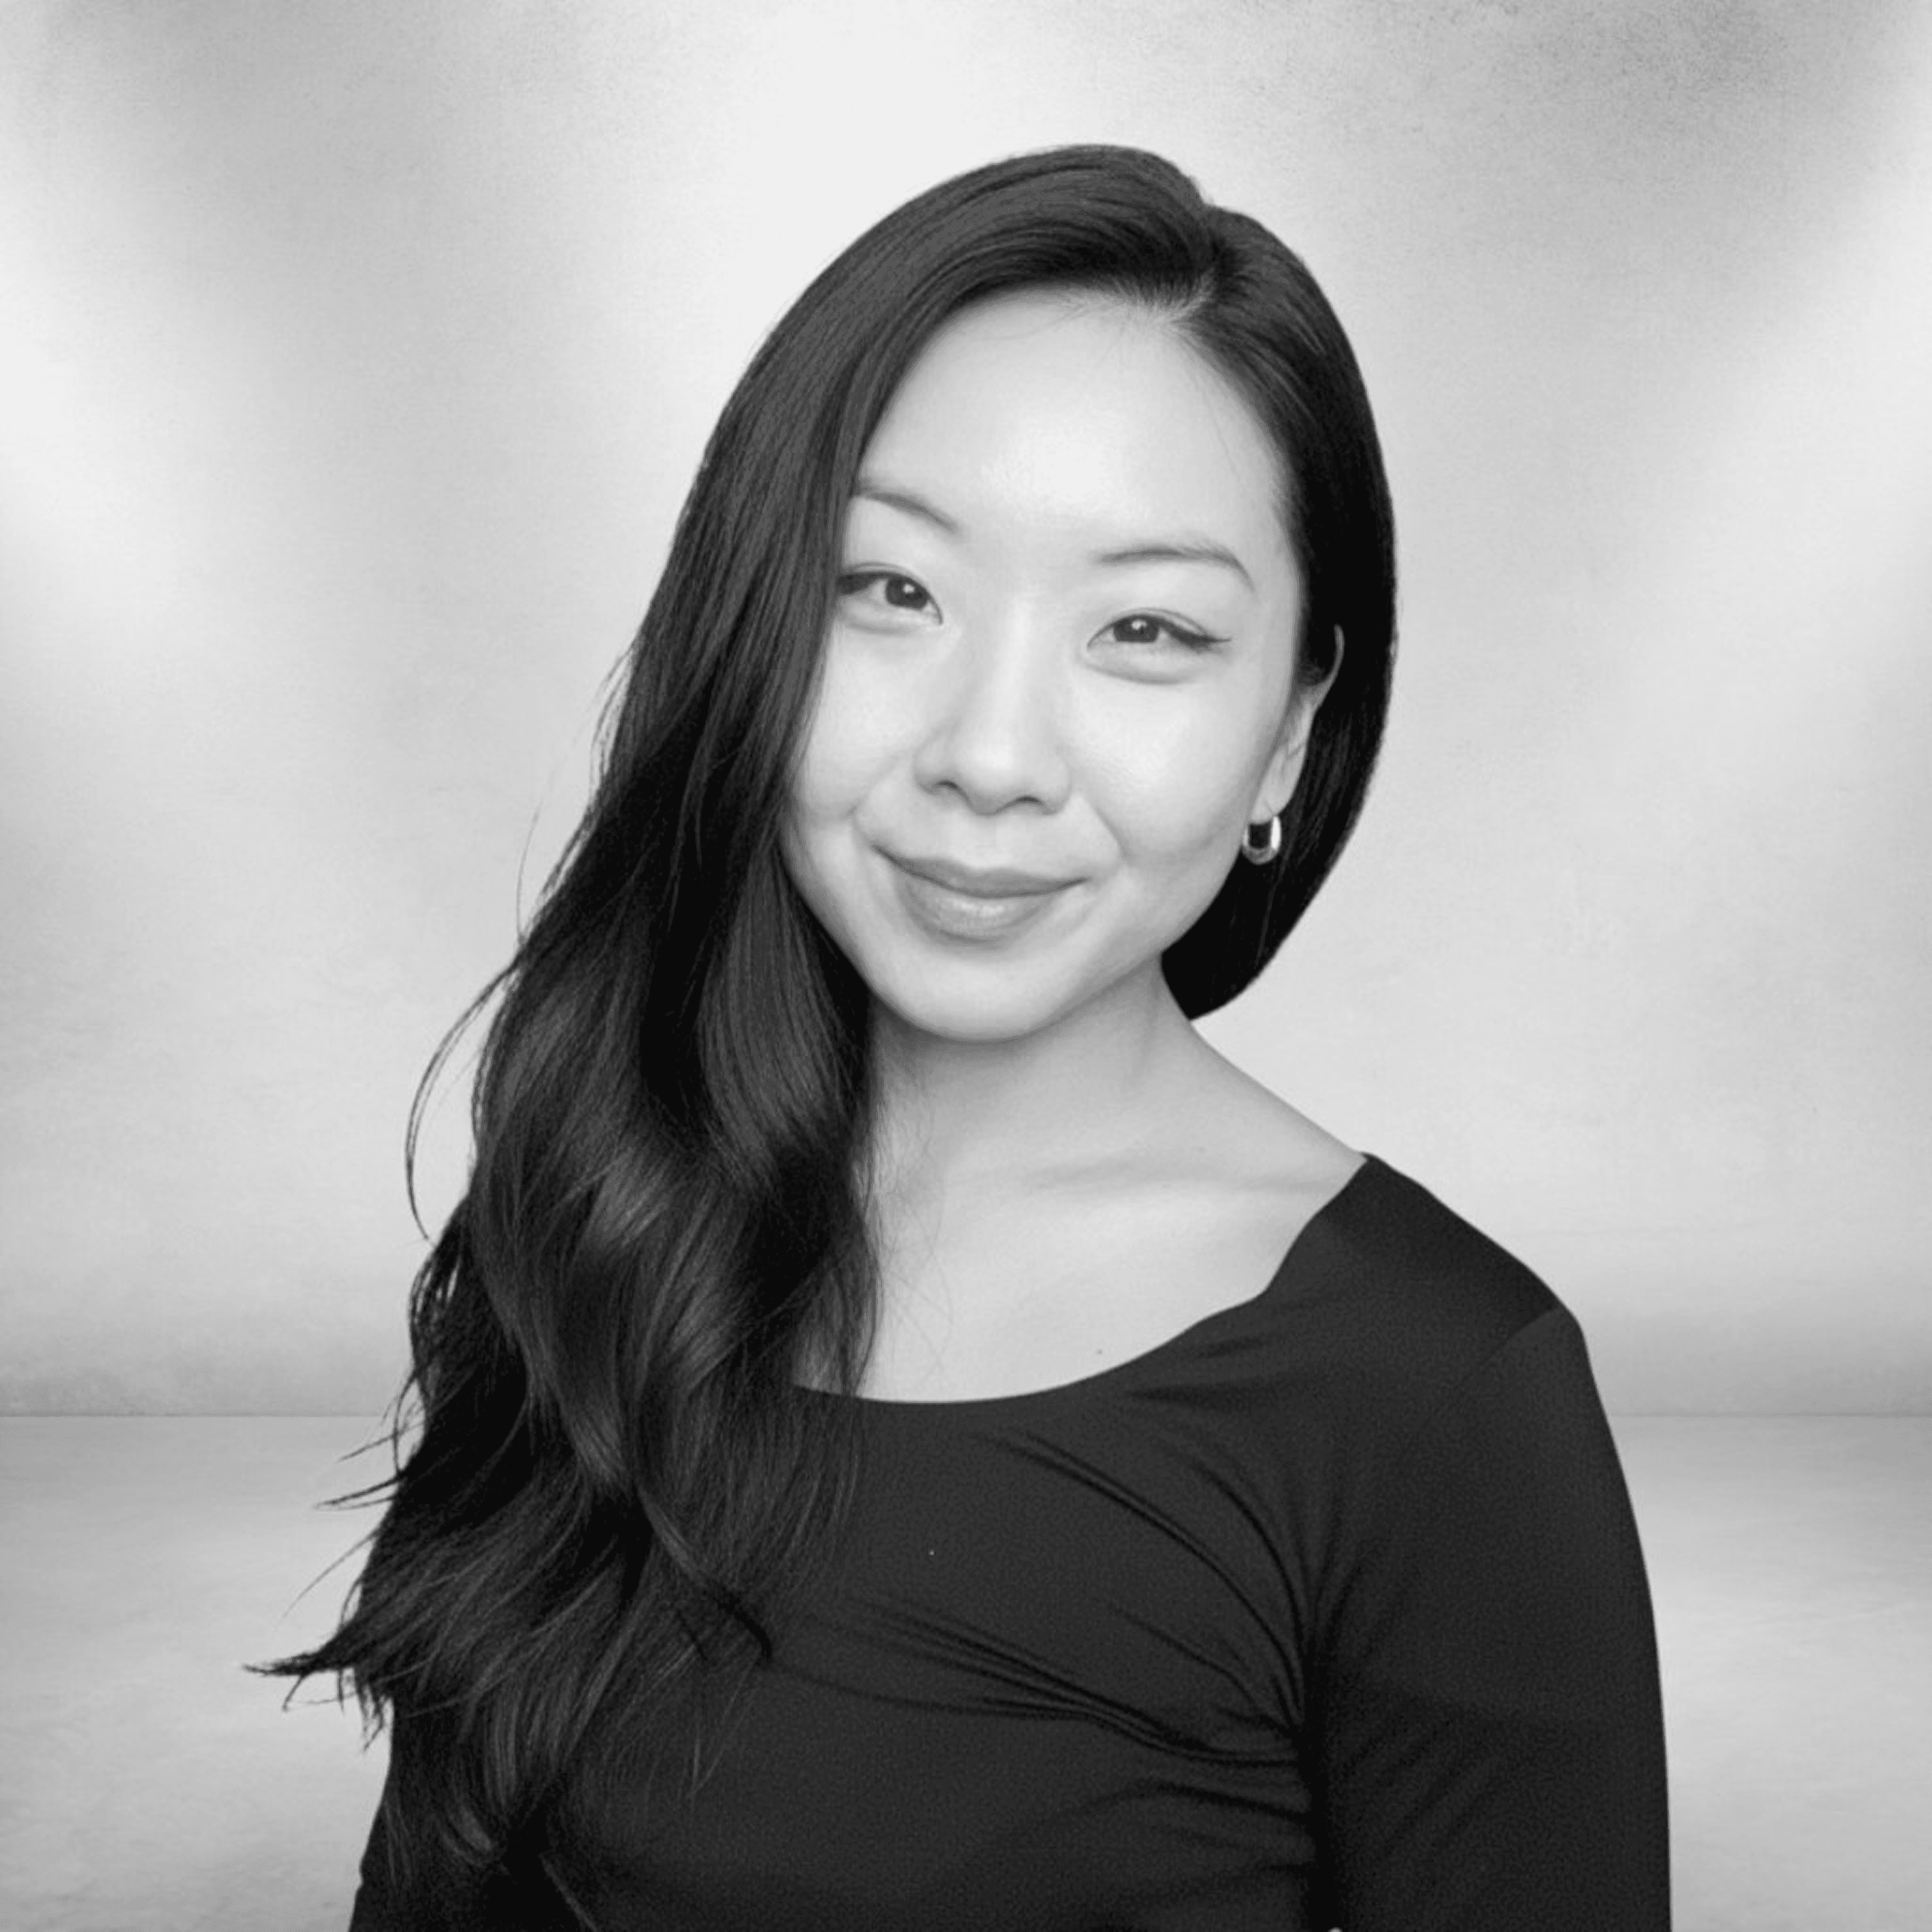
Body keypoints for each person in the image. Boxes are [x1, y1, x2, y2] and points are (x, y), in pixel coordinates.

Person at [264, 145, 1671, 1929]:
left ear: (1291, 731)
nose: (990, 756)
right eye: (894, 591)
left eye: (1146, 628)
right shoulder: (610, 1195)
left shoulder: (1442, 1394)